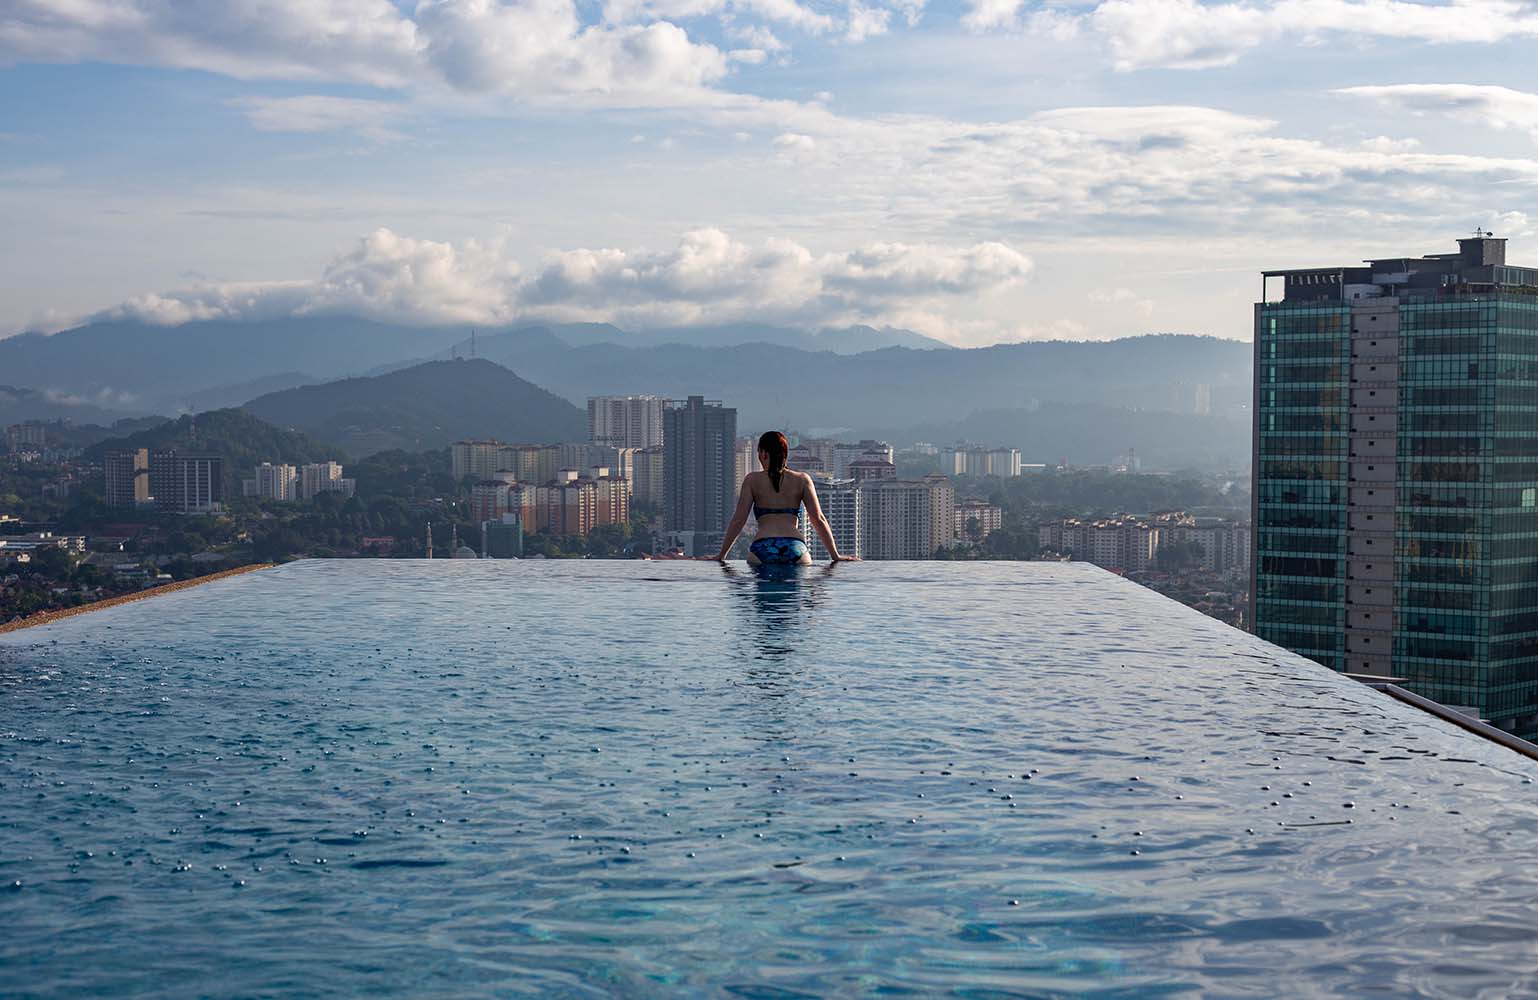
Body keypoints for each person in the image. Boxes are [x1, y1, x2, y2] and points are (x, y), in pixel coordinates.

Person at [713, 431, 857, 565]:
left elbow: (739, 520)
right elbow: (818, 519)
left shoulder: (752, 480)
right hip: (795, 548)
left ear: (764, 454)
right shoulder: (802, 479)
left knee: (763, 591)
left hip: (762, 548)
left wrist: (721, 555)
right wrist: (835, 555)